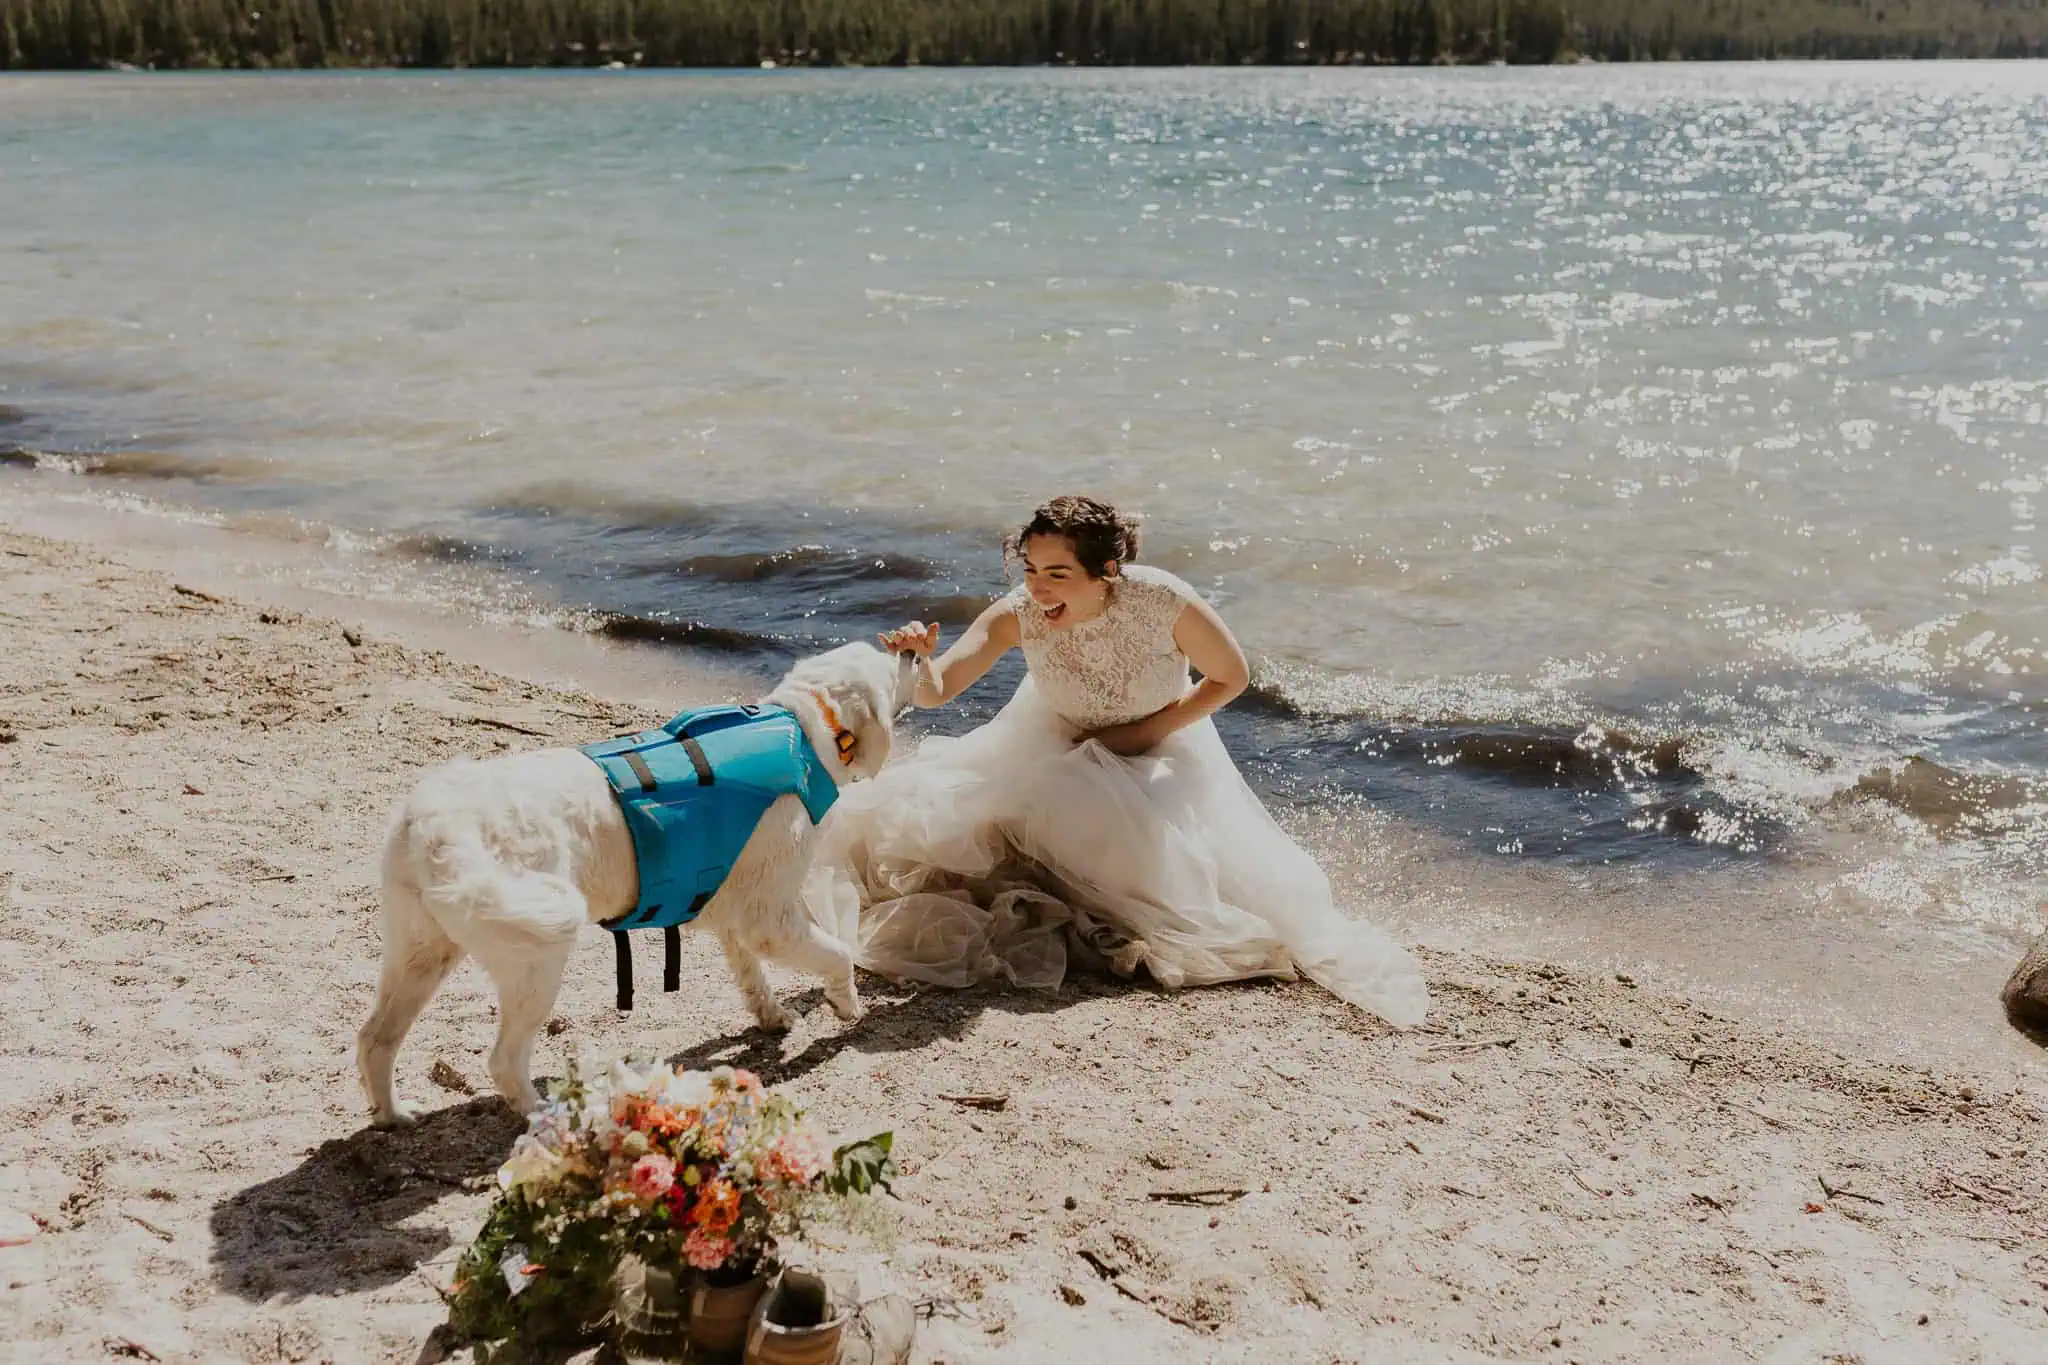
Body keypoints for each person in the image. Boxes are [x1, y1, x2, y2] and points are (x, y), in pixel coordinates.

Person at [802, 495, 1428, 1027]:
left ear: (1106, 571)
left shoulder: (1161, 600)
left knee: (1140, 861)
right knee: (928, 825)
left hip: (1158, 749)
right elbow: (939, 690)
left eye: (1057, 573)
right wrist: (914, 658)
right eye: (1030, 569)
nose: (1037, 587)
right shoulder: (1021, 611)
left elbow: (1230, 677)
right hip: (1053, 737)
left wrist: (1145, 732)